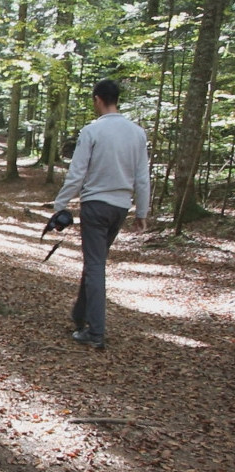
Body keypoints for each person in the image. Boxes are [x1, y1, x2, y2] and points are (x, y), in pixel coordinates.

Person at [52, 78, 150, 349]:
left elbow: (77, 173)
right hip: (120, 207)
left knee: (95, 265)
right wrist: (141, 210)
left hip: (95, 206)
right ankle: (79, 315)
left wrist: (60, 203)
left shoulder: (92, 131)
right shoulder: (137, 132)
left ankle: (95, 333)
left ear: (97, 99)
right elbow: (142, 177)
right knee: (95, 261)